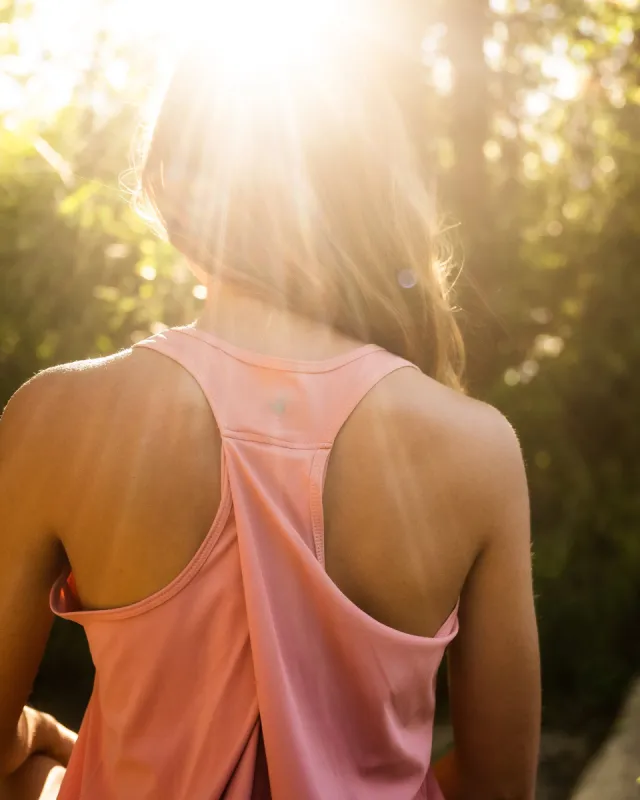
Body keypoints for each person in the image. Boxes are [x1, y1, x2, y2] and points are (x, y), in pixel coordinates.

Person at [0, 9, 541, 800]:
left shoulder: (58, 417)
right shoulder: (478, 448)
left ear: (173, 190)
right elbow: (498, 787)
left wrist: (41, 753)